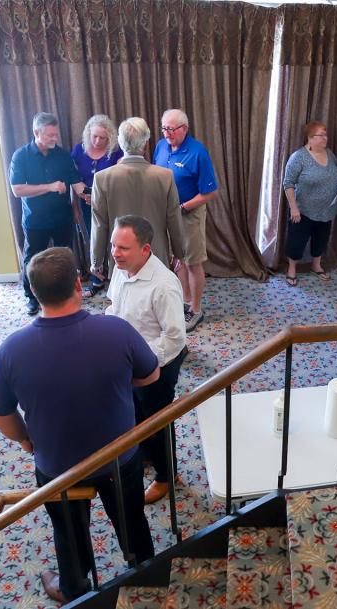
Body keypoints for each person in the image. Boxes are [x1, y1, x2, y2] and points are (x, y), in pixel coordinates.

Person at [0, 247, 158, 603]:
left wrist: (25, 441)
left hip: (57, 466)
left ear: (34, 292)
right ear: (78, 284)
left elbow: (1, 413)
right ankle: (145, 569)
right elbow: (151, 373)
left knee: (67, 531)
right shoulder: (117, 330)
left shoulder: (10, 349)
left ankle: (74, 587)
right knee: (132, 517)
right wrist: (117, 382)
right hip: (119, 458)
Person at [106, 216, 187, 505]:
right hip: (128, 361)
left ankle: (167, 476)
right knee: (132, 415)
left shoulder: (164, 285)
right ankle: (145, 457)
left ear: (145, 249)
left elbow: (175, 338)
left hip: (158, 365)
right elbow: (114, 305)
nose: (116, 252)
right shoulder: (121, 268)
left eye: (124, 248)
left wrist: (140, 362)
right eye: (114, 245)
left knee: (157, 424)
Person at [10, 112, 87, 316]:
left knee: (65, 258)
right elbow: (17, 190)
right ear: (36, 132)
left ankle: (67, 294)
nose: (54, 139)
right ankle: (32, 298)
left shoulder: (62, 156)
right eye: (50, 135)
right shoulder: (21, 156)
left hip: (62, 218)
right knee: (32, 260)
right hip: (35, 220)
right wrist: (50, 186)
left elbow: (77, 183)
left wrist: (89, 195)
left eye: (56, 134)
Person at [91, 117, 184, 281]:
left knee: (123, 303)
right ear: (146, 143)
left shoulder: (102, 178)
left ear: (120, 143)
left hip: (121, 259)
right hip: (156, 256)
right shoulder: (165, 176)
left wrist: (96, 261)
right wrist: (179, 253)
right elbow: (174, 220)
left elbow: (99, 225)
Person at [153, 109, 217, 332]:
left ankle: (196, 309)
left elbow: (210, 192)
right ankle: (185, 302)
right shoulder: (160, 147)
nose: (167, 134)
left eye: (171, 129)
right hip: (167, 213)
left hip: (189, 213)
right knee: (177, 259)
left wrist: (183, 207)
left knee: (192, 261)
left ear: (184, 129)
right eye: (164, 128)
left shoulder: (198, 152)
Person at [282, 121, 337, 286]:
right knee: (297, 240)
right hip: (303, 210)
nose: (325, 138)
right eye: (321, 135)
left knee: (321, 239)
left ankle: (316, 265)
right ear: (310, 138)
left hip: (327, 210)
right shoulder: (298, 157)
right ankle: (292, 269)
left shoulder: (330, 154)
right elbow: (288, 183)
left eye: (326, 135)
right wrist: (294, 207)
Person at [71, 114, 122, 292]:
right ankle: (96, 278)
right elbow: (72, 176)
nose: (98, 141)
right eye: (95, 136)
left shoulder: (116, 151)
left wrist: (99, 196)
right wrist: (80, 197)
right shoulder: (79, 150)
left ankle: (116, 278)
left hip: (111, 203)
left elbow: (121, 177)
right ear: (88, 134)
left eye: (103, 138)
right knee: (93, 240)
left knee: (114, 240)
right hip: (86, 204)